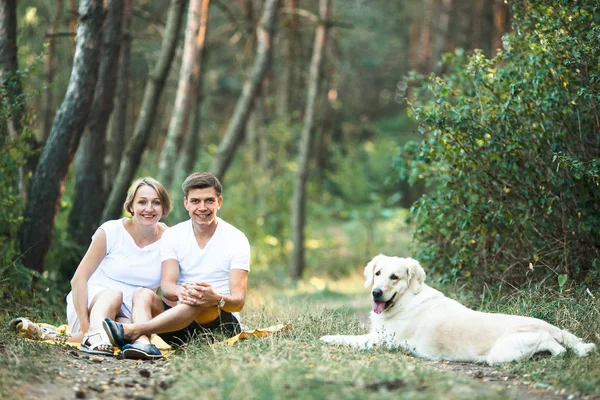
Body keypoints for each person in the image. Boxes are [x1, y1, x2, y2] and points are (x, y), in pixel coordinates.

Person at [102, 172, 250, 353]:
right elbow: (167, 288)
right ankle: (141, 344)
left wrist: (215, 298)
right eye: (195, 201)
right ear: (186, 203)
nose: (202, 207)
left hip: (219, 325)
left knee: (200, 298)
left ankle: (132, 330)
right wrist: (184, 291)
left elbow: (238, 302)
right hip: (179, 326)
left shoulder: (236, 239)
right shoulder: (173, 235)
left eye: (209, 201)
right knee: (142, 293)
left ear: (219, 202)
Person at [64, 177, 171, 359]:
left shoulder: (171, 239)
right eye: (142, 202)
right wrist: (85, 327)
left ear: (164, 208)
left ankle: (135, 342)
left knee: (123, 334)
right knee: (113, 294)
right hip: (93, 305)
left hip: (134, 315)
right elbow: (78, 279)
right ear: (131, 206)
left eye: (156, 203)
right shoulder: (111, 231)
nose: (149, 209)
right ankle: (94, 335)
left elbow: (172, 288)